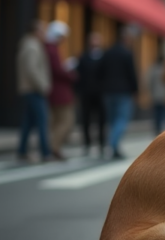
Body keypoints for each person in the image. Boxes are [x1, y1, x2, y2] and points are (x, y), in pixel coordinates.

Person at [97, 26, 138, 160]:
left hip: (108, 91)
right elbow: (132, 74)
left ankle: (113, 146)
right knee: (121, 119)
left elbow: (99, 71)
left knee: (112, 120)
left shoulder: (107, 53)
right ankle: (113, 144)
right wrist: (135, 90)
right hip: (123, 91)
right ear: (125, 39)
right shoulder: (127, 53)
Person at [16, 20, 52, 162]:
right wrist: (43, 86)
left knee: (28, 122)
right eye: (42, 30)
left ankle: (22, 150)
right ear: (36, 31)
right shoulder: (32, 46)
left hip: (29, 89)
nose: (44, 33)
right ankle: (45, 152)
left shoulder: (29, 45)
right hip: (34, 89)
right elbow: (31, 70)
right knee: (43, 121)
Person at [44, 21, 76, 161]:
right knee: (66, 121)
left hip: (54, 91)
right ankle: (54, 148)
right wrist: (70, 74)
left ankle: (52, 147)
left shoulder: (49, 48)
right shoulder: (52, 49)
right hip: (59, 92)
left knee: (56, 122)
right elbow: (57, 70)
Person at [76, 32, 106, 156]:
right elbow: (79, 75)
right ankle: (87, 144)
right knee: (86, 119)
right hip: (86, 93)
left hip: (100, 93)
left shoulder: (104, 57)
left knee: (101, 120)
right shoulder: (83, 57)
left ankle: (101, 144)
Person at [146, 52, 165, 135]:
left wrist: (150, 92)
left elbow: (149, 82)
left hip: (155, 95)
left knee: (156, 113)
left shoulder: (153, 69)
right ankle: (162, 130)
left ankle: (157, 129)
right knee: (164, 114)